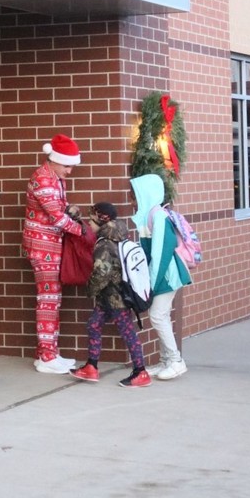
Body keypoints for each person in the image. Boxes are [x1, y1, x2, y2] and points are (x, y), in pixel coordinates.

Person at [23, 133, 86, 374]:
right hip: (42, 247)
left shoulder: (54, 177)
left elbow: (59, 210)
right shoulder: (43, 179)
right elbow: (57, 217)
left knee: (53, 299)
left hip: (51, 245)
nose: (70, 171)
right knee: (48, 300)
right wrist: (83, 232)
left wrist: (69, 209)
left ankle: (48, 353)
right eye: (67, 165)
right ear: (55, 159)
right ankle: (47, 356)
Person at [70, 203, 151, 388]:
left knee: (127, 332)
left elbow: (101, 274)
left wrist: (90, 289)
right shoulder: (118, 235)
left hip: (115, 298)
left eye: (92, 220)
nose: (89, 224)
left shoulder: (105, 244)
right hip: (110, 296)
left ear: (101, 219)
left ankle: (141, 372)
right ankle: (91, 366)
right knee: (94, 324)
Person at [130, 173, 192, 380]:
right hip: (163, 275)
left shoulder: (159, 216)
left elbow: (160, 254)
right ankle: (167, 360)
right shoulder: (151, 215)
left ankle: (175, 361)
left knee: (157, 315)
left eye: (135, 195)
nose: (132, 200)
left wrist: (152, 283)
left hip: (167, 275)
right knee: (161, 315)